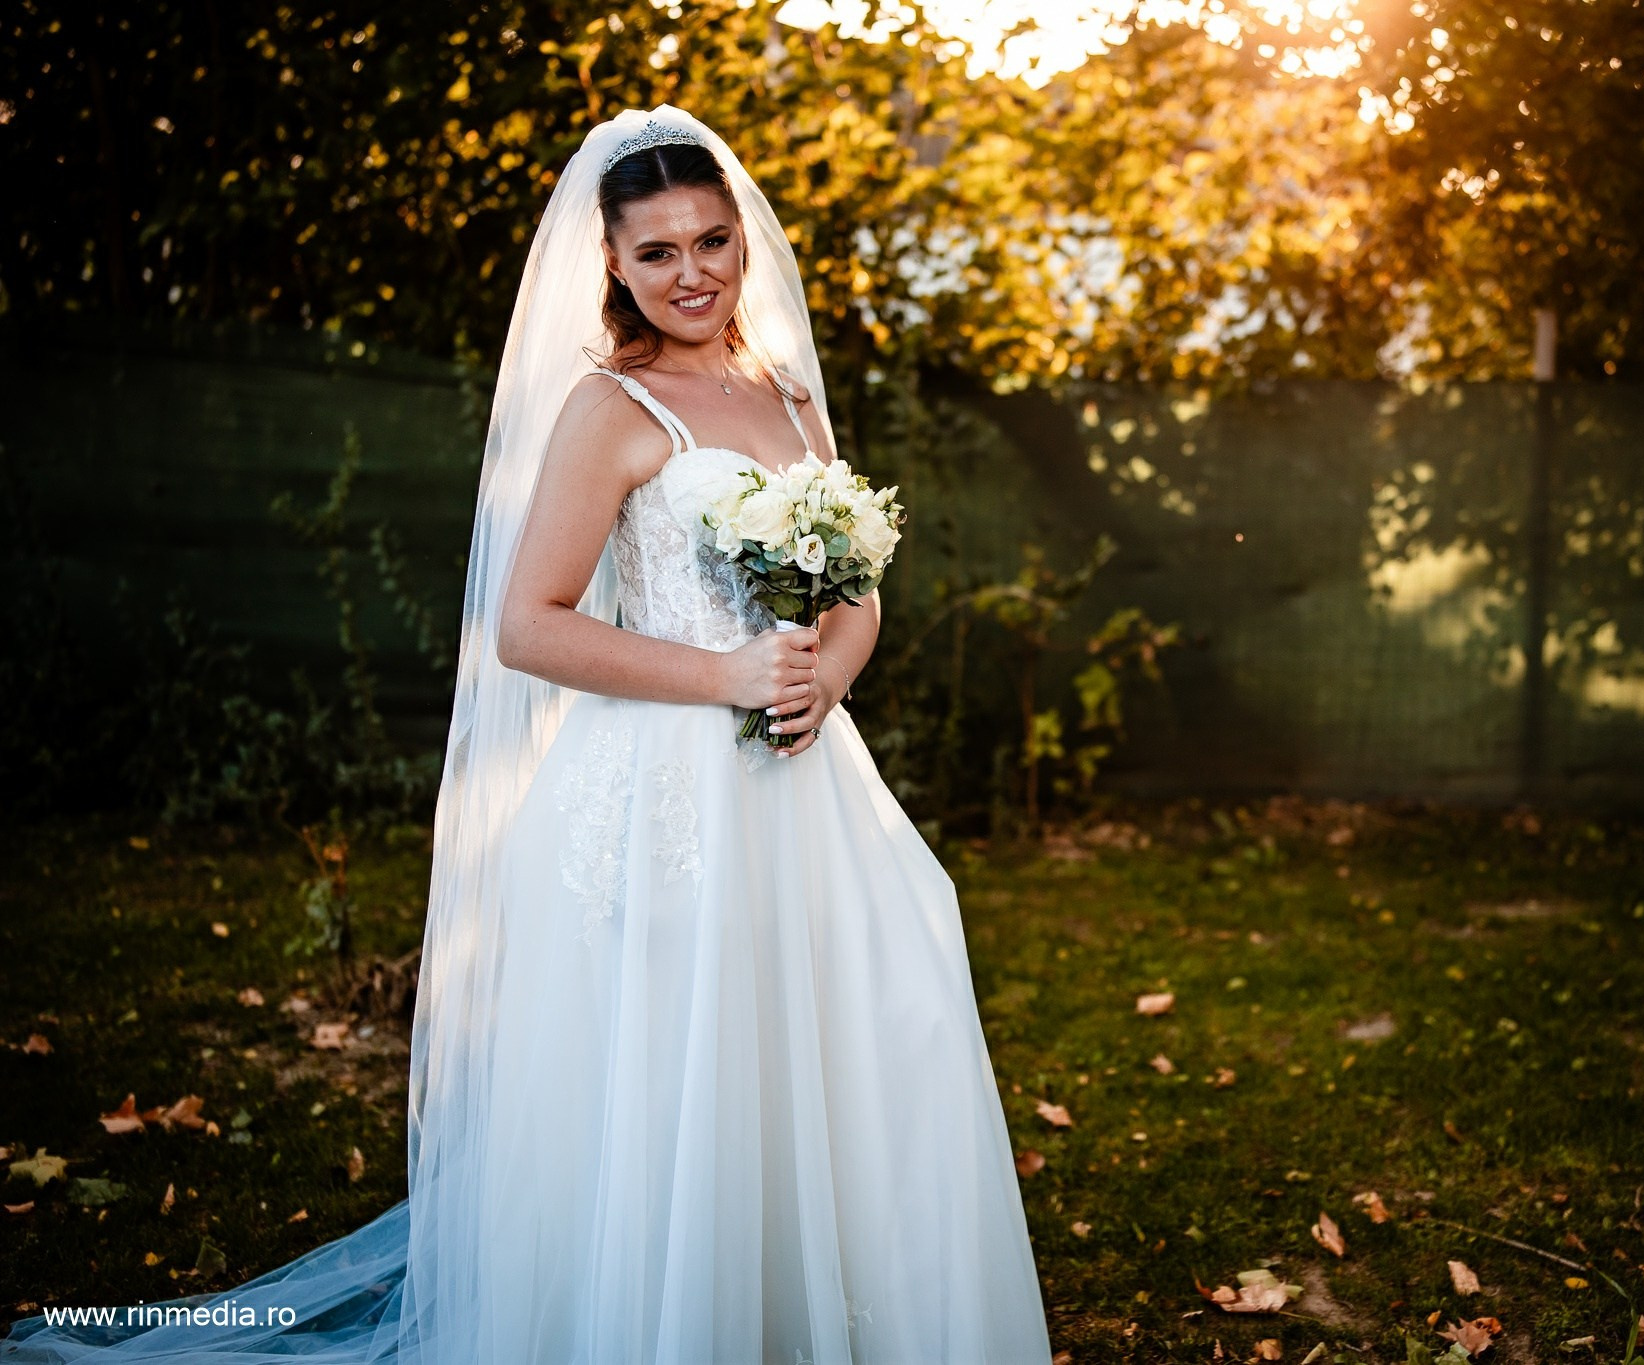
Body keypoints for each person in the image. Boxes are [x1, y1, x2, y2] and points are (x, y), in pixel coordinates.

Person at [3, 105, 1054, 1365]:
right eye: (656, 251)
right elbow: (529, 627)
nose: (691, 273)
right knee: (675, 1061)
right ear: (612, 262)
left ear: (742, 241)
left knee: (848, 1023)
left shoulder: (783, 393)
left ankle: (804, 1308)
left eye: (710, 241)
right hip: (663, 788)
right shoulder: (610, 408)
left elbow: (856, 590)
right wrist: (726, 673)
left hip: (801, 772)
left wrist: (822, 677)